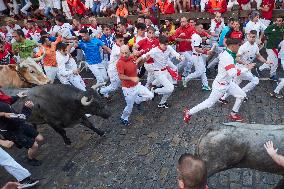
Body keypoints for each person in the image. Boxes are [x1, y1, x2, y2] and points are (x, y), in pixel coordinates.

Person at [183, 38, 254, 123]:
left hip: (228, 83)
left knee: (242, 95)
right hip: (220, 86)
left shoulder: (229, 53)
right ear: (232, 46)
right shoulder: (227, 57)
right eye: (238, 46)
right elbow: (233, 73)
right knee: (209, 103)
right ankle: (189, 112)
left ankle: (233, 114)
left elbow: (232, 65)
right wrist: (246, 68)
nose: (239, 48)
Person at [219, 30, 271, 104]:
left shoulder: (255, 46)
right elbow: (236, 58)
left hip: (246, 68)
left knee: (235, 84)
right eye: (251, 37)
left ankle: (222, 97)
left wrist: (266, 61)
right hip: (241, 68)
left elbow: (258, 56)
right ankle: (242, 94)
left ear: (256, 37)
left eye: (254, 37)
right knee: (255, 80)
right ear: (248, 36)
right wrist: (246, 64)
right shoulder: (243, 47)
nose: (252, 38)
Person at [0, 92, 44, 166]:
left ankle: (29, 146)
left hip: (19, 123)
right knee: (34, 145)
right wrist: (4, 114)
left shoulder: (2, 98)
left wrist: (18, 96)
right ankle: (30, 159)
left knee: (40, 138)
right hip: (11, 131)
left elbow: (8, 101)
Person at [140, 36, 184, 108]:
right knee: (170, 88)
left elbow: (175, 54)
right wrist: (138, 60)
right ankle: (154, 90)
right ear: (160, 44)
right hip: (158, 73)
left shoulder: (168, 47)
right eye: (164, 45)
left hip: (166, 71)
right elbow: (144, 55)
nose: (166, 46)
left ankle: (162, 103)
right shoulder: (154, 50)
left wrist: (179, 57)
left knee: (170, 89)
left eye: (167, 44)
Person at [117, 45, 154, 126]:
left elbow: (137, 66)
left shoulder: (131, 58)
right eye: (122, 53)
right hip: (128, 89)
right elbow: (120, 76)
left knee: (150, 95)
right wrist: (132, 78)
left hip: (137, 85)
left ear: (129, 52)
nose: (124, 55)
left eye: (126, 53)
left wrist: (144, 61)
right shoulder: (120, 63)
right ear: (120, 53)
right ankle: (124, 118)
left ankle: (137, 101)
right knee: (129, 107)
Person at [183, 24, 213, 91]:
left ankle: (205, 85)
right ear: (197, 28)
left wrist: (205, 49)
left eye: (202, 28)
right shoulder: (196, 37)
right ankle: (186, 79)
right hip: (196, 56)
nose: (202, 30)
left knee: (203, 71)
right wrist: (205, 52)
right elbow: (196, 49)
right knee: (199, 72)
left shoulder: (196, 36)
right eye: (201, 28)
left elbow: (198, 47)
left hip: (198, 56)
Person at [98, 34, 124, 98]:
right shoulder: (116, 48)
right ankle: (101, 91)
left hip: (117, 69)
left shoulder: (120, 46)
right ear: (116, 41)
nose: (122, 42)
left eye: (123, 40)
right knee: (113, 87)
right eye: (120, 41)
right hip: (113, 71)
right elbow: (124, 55)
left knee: (122, 82)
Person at [259, 17, 284, 81]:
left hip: (277, 47)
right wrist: (262, 40)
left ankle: (259, 69)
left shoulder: (282, 28)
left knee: (269, 61)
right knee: (274, 62)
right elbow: (264, 32)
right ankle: (272, 75)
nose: (278, 22)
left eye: (280, 21)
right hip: (271, 47)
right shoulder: (271, 27)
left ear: (282, 22)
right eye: (277, 21)